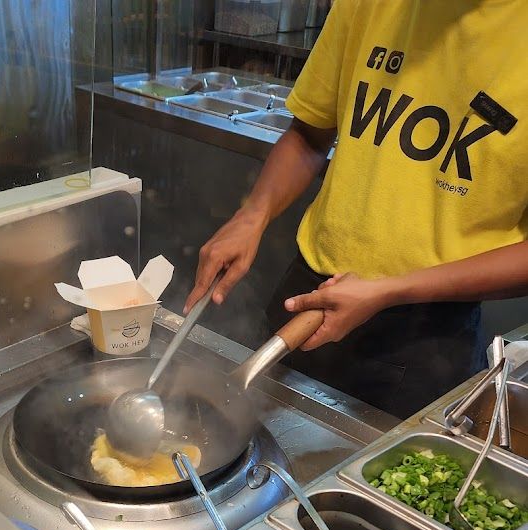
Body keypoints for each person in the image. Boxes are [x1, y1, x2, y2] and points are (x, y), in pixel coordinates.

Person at [185, 0, 528, 418]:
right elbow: (310, 135)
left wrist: (390, 290)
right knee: (244, 439)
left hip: (426, 335)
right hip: (305, 295)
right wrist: (252, 215)